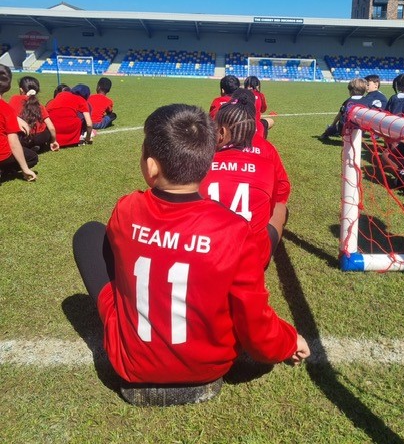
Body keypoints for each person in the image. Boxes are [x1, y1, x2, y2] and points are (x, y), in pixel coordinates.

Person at [73, 103, 309, 406]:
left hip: (131, 366)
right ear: (208, 161)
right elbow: (256, 325)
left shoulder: (127, 209)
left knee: (89, 234)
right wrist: (289, 340)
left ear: (152, 166)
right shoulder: (234, 230)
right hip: (207, 369)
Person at [200, 90, 290, 268]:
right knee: (280, 208)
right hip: (252, 257)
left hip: (204, 251)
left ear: (222, 132)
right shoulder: (266, 161)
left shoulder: (203, 160)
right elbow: (281, 192)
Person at [0, 64, 38, 181]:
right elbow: (14, 142)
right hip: (2, 154)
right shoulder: (6, 109)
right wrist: (25, 169)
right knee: (32, 157)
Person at [9, 76, 60, 152]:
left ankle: (26, 147)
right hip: (41, 137)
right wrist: (53, 141)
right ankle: (38, 146)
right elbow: (51, 127)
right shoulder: (39, 105)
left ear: (21, 90)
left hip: (23, 137)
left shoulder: (14, 99)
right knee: (45, 130)